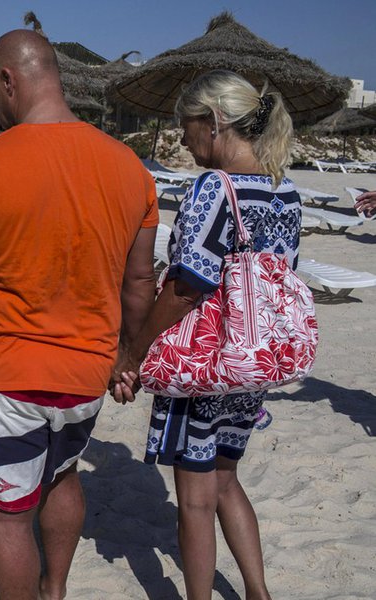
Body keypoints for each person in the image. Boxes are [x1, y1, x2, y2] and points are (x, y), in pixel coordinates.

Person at [0, 29, 159, 600]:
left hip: (10, 375)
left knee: (9, 512)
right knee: (64, 474)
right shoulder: (129, 168)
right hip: (86, 376)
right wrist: (128, 357)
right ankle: (55, 590)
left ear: (10, 80)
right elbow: (140, 283)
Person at [111, 70, 300, 600]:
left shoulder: (214, 189)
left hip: (205, 361)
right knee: (225, 480)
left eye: (186, 124)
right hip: (254, 357)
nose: (183, 136)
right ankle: (258, 592)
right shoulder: (284, 189)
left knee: (194, 498)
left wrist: (134, 350)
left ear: (214, 122)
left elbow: (185, 286)